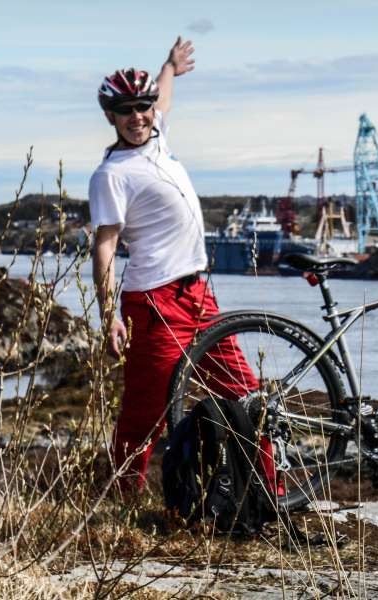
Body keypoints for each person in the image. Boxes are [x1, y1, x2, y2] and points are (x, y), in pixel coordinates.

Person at [89, 37, 261, 491]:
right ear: (111, 115)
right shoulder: (111, 175)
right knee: (147, 412)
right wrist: (108, 317)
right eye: (125, 110)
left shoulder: (157, 133)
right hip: (152, 302)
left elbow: (163, 95)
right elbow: (105, 246)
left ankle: (268, 495)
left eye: (142, 107)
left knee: (245, 395)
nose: (138, 116)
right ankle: (121, 504)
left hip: (198, 295)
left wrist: (169, 66)